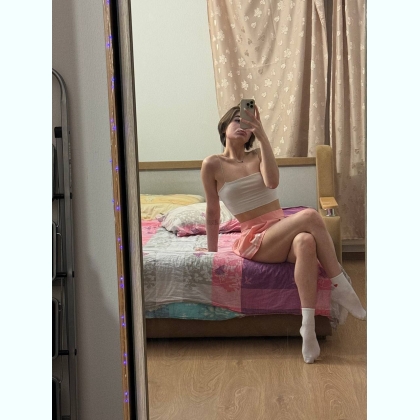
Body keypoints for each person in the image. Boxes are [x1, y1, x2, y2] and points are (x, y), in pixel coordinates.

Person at [200, 103, 366, 364]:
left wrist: (262, 134)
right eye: (237, 121)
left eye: (247, 123)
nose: (242, 126)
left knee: (306, 241)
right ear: (223, 127)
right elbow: (212, 211)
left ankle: (308, 328)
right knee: (310, 215)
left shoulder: (258, 155)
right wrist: (211, 252)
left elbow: (272, 182)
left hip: (278, 231)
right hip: (255, 239)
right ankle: (341, 285)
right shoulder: (213, 164)